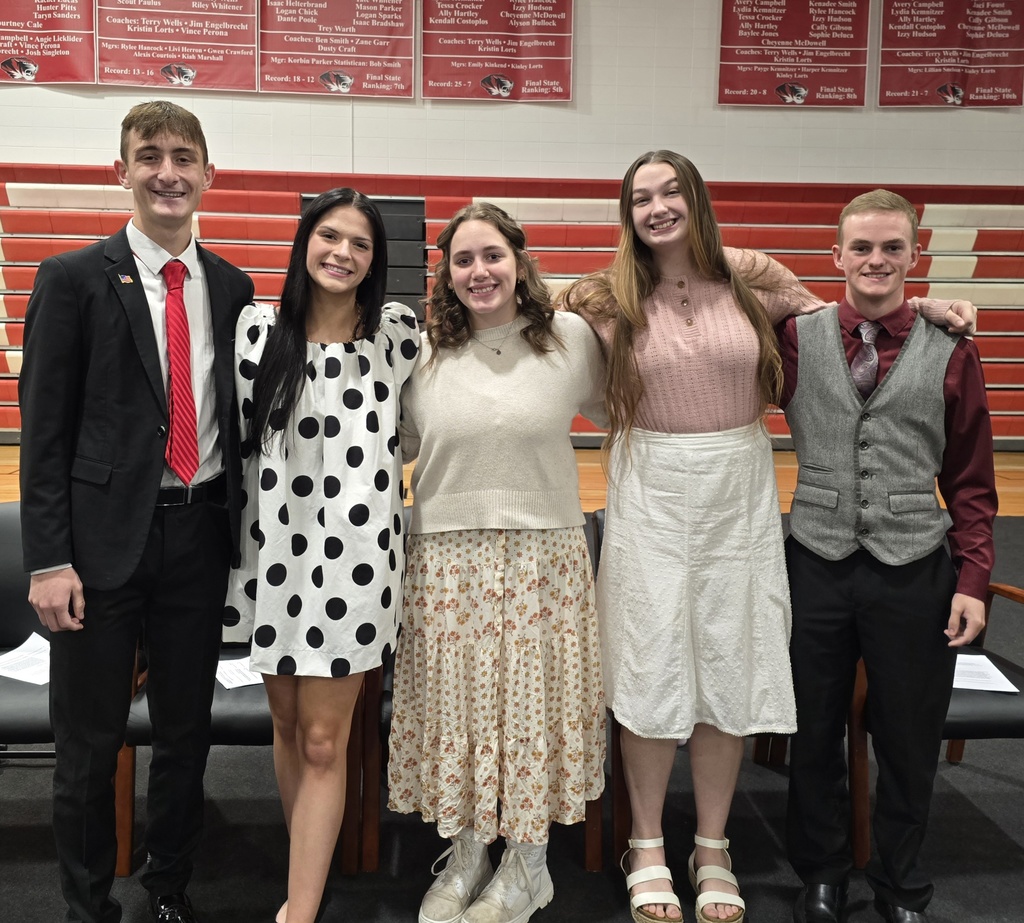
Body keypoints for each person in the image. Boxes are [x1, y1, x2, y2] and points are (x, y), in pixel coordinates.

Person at [563, 150, 975, 923]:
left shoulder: (754, 276)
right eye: (641, 196)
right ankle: (647, 842)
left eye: (671, 191)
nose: (657, 207)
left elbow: (849, 323)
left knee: (731, 656)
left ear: (696, 198)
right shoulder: (605, 294)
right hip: (650, 478)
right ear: (627, 211)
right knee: (649, 656)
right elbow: (542, 334)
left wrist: (926, 308)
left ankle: (711, 844)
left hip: (738, 482)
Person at [19, 101, 255, 923]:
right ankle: (88, 904)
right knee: (87, 747)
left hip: (198, 535)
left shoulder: (233, 288)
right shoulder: (74, 277)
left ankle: (169, 888)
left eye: (183, 156)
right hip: (96, 550)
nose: (167, 171)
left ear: (208, 173)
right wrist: (48, 559)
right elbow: (41, 432)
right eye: (148, 155)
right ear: (120, 170)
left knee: (186, 735)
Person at [778, 190, 997, 923]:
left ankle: (901, 879)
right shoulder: (795, 334)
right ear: (836, 255)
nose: (876, 261)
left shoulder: (953, 349)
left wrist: (973, 576)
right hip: (816, 556)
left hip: (914, 564)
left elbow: (971, 478)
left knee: (909, 734)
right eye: (862, 248)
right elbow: (731, 270)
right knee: (812, 729)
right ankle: (822, 869)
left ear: (914, 256)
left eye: (892, 248)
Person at [387, 202, 607, 923]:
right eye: (462, 260)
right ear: (445, 274)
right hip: (448, 558)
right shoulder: (422, 353)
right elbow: (394, 447)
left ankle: (528, 863)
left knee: (529, 712)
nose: (478, 271)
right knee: (463, 711)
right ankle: (469, 848)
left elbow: (628, 413)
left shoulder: (569, 338)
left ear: (519, 259)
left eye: (492, 255)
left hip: (544, 556)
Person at [222, 187, 419, 923]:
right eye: (329, 236)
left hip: (357, 565)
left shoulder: (396, 335)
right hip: (271, 559)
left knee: (322, 737)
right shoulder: (255, 332)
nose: (342, 253)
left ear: (376, 260)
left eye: (360, 244)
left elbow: (420, 434)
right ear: (305, 242)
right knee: (283, 724)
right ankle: (307, 858)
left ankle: (298, 909)